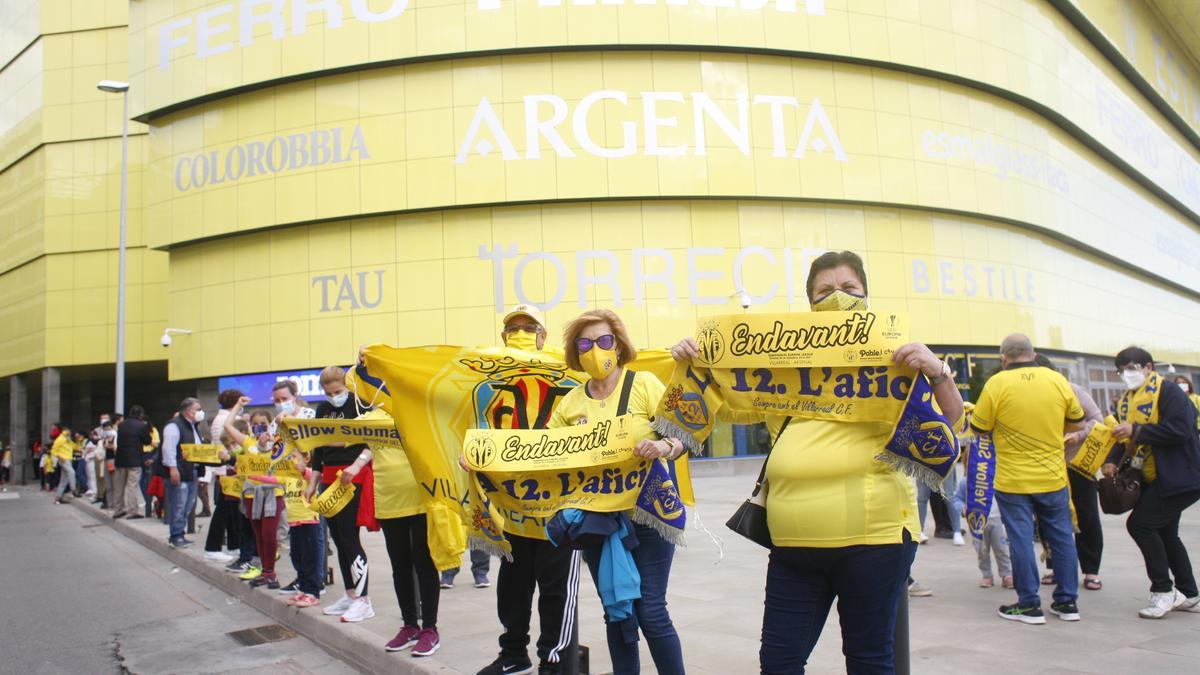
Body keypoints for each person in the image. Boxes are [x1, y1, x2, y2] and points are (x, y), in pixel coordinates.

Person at [671, 250, 964, 673]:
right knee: (779, 661)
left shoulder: (895, 359)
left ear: (867, 297)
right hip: (793, 546)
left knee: (868, 660)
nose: (837, 298)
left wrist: (937, 371)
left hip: (875, 542)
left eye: (849, 289)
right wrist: (693, 365)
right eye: (825, 291)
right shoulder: (782, 363)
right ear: (810, 305)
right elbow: (720, 404)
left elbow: (949, 422)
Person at [553, 308, 687, 675]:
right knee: (617, 610)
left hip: (650, 512)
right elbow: (544, 456)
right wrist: (484, 462)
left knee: (651, 609)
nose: (595, 349)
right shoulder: (569, 403)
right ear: (575, 351)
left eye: (603, 340)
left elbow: (681, 434)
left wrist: (664, 447)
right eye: (585, 343)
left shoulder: (643, 384)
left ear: (619, 344)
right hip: (598, 520)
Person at [475, 304, 579, 675]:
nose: (520, 332)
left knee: (556, 591)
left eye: (529, 326)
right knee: (512, 589)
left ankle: (553, 659)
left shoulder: (569, 368)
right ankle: (513, 654)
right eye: (513, 327)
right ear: (503, 336)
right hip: (512, 506)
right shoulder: (485, 375)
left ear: (543, 335)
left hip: (558, 506)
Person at [971, 334, 1085, 625]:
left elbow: (980, 427)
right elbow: (1077, 421)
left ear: (1003, 357)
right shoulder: (1056, 380)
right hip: (1053, 476)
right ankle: (1067, 602)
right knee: (1062, 539)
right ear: (1033, 354)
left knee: (1020, 540)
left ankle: (1029, 604)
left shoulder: (997, 383)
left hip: (1013, 481)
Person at [1103, 347, 1200, 619]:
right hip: (1155, 477)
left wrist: (1137, 430)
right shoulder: (1128, 400)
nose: (1127, 375)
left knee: (1141, 525)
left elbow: (1180, 430)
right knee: (1167, 533)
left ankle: (1163, 590)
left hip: (1181, 476)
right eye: (1121, 371)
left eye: (1132, 368)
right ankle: (1189, 594)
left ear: (1148, 367)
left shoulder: (1168, 392)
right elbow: (1127, 438)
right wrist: (1113, 458)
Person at [304, 370, 375, 624]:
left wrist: (356, 466)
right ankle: (350, 592)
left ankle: (364, 600)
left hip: (351, 476)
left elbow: (372, 441)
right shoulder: (322, 408)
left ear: (345, 386)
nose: (334, 397)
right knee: (337, 537)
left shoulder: (359, 405)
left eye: (338, 392)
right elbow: (319, 447)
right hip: (328, 479)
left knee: (349, 537)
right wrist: (313, 481)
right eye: (329, 393)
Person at [1037, 355, 1106, 591]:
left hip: (1078, 465)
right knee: (1050, 517)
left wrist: (1079, 435)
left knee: (1086, 517)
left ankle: (1091, 571)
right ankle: (1057, 568)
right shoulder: (1031, 395)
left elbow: (1097, 420)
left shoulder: (1073, 391)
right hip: (1047, 464)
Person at [223, 405, 271, 576]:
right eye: (255, 423)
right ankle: (250, 560)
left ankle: (265, 565)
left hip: (270, 494)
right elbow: (227, 426)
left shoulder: (277, 442)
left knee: (266, 532)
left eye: (263, 423)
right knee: (248, 528)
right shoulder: (248, 441)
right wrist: (238, 406)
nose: (259, 426)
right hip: (249, 492)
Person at [952, 468, 1012, 588]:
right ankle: (987, 575)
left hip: (996, 519)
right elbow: (956, 498)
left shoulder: (997, 478)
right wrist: (963, 508)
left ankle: (1006, 574)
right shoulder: (966, 482)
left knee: (1001, 549)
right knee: (981, 550)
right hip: (976, 522)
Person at [161, 398, 207, 548]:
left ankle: (180, 533)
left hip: (191, 471)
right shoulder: (174, 425)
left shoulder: (192, 426)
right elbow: (168, 449)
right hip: (180, 471)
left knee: (188, 505)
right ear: (188, 411)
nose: (201, 412)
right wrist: (173, 469)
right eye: (198, 409)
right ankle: (176, 536)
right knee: (179, 505)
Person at [112, 405, 152, 520]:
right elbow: (147, 441)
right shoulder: (141, 426)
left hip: (120, 459)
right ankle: (132, 510)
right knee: (132, 485)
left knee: (119, 486)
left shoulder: (121, 425)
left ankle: (118, 510)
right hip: (134, 460)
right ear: (140, 414)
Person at [50, 424, 78, 504]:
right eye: (68, 431)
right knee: (72, 472)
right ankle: (73, 490)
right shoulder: (60, 439)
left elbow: (74, 447)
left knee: (63, 480)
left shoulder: (67, 439)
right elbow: (53, 450)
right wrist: (59, 457)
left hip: (67, 459)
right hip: (64, 460)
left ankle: (58, 498)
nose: (69, 432)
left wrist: (78, 443)